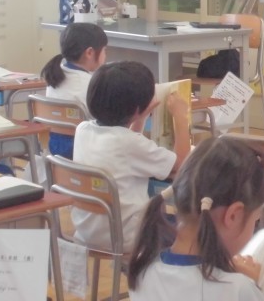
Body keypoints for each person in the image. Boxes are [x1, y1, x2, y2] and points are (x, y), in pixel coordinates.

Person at [127, 136, 264, 301]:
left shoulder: (142, 271)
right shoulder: (238, 288)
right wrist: (258, 285)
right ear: (233, 216)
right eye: (255, 221)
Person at [72, 61, 191, 253]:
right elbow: (181, 164)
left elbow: (127, 146)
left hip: (88, 232)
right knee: (191, 228)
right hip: (129, 236)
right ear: (136, 109)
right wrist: (181, 117)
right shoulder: (128, 143)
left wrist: (140, 117)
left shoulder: (83, 129)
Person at [40, 22, 108, 159]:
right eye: (104, 50)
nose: (105, 55)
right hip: (84, 151)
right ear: (90, 53)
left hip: (56, 151)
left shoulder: (54, 76)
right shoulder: (91, 84)